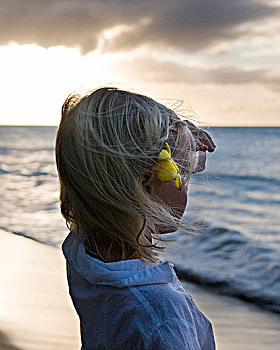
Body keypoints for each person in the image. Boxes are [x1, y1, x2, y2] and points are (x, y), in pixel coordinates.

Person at [56, 87, 216, 349]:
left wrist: (177, 139)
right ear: (145, 186)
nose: (186, 186)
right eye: (184, 179)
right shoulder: (163, 317)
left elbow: (96, 162)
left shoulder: (84, 255)